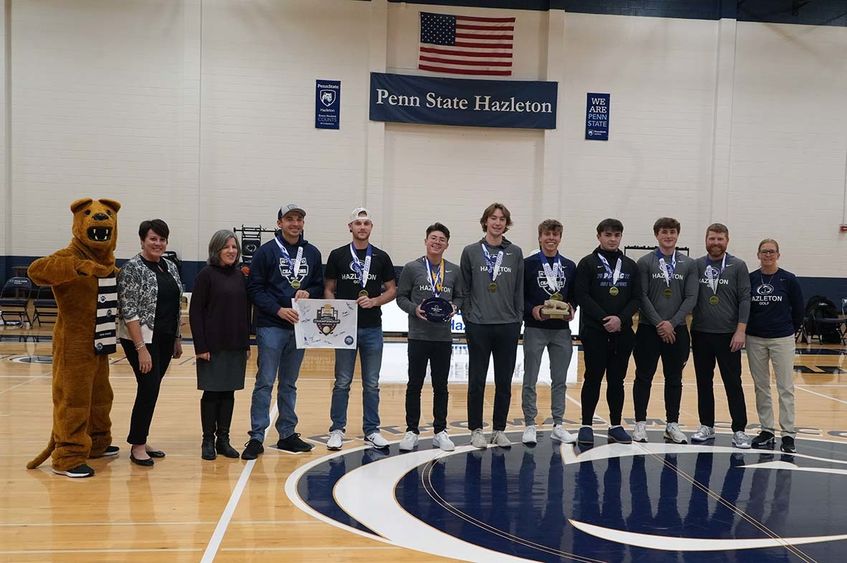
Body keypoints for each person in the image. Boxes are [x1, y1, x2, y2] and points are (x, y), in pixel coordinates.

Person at [242, 204, 323, 460]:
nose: (295, 223)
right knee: (265, 381)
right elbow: (254, 289)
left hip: (299, 327)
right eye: (289, 219)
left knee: (289, 383)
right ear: (279, 223)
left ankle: (287, 433)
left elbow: (319, 285)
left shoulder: (312, 252)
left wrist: (309, 292)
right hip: (271, 326)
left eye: (299, 219)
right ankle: (256, 436)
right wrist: (278, 310)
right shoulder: (266, 252)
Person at [324, 207, 397, 450]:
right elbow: (329, 289)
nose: (362, 227)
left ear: (371, 227)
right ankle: (336, 429)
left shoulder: (381, 257)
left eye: (366, 223)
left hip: (372, 327)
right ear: (350, 227)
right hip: (345, 329)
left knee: (372, 383)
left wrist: (375, 300)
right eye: (358, 223)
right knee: (342, 381)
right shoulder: (337, 255)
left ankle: (372, 430)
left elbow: (392, 289)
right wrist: (337, 311)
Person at [117, 219, 182, 467]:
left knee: (151, 389)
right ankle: (137, 445)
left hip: (165, 338)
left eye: (162, 239)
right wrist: (141, 348)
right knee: (148, 387)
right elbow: (129, 310)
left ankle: (141, 438)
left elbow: (176, 305)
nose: (158, 243)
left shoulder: (170, 267)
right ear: (143, 240)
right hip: (141, 340)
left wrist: (176, 338)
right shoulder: (132, 268)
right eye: (153, 238)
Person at [459, 202, 524, 449]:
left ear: (507, 224)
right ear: (485, 221)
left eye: (502, 219)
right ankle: (476, 429)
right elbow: (464, 287)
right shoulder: (471, 251)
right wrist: (468, 315)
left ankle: (499, 429)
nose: (497, 222)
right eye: (493, 218)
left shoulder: (515, 252)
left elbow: (519, 288)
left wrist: (518, 317)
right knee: (476, 379)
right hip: (478, 324)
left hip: (508, 324)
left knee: (504, 381)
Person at [396, 223, 463, 452]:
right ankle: (411, 431)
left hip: (443, 338)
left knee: (440, 386)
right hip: (418, 336)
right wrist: (414, 309)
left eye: (441, 239)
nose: (437, 242)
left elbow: (461, 296)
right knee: (414, 384)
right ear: (426, 241)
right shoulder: (411, 268)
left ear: (447, 244)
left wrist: (455, 307)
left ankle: (440, 431)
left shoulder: (454, 270)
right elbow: (401, 297)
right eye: (433, 238)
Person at [632, 218, 698, 444]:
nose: (668, 236)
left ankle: (672, 424)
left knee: (674, 379)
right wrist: (660, 323)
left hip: (677, 330)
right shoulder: (644, 262)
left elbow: (691, 297)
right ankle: (640, 423)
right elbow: (641, 296)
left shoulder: (688, 264)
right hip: (649, 330)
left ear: (678, 234)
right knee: (643, 377)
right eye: (663, 232)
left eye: (672, 232)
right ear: (656, 235)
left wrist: (673, 322)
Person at [574, 218, 640, 446]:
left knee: (617, 380)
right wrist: (605, 319)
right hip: (595, 331)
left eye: (616, 235)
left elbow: (636, 298)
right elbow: (582, 295)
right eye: (608, 235)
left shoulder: (631, 266)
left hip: (622, 333)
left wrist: (620, 319)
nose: (612, 239)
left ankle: (615, 425)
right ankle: (586, 425)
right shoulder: (587, 263)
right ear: (599, 236)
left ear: (621, 237)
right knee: (592, 378)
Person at [189, 230, 251, 461]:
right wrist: (200, 346)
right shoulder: (206, 275)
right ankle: (207, 440)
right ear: (216, 250)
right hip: (212, 347)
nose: (231, 251)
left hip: (235, 344)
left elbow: (245, 312)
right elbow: (195, 313)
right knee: (211, 393)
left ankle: (223, 440)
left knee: (228, 393)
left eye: (234, 247)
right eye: (226, 247)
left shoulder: (239, 276)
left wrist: (246, 343)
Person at [690, 223, 752, 448]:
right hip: (700, 333)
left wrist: (741, 330)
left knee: (733, 383)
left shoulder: (738, 266)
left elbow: (745, 298)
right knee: (703, 382)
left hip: (729, 335)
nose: (715, 243)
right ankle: (707, 425)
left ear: (727, 241)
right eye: (712, 238)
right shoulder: (696, 265)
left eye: (720, 239)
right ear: (706, 240)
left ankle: (739, 430)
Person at [521, 219, 577, 445]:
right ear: (540, 237)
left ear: (560, 238)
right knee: (530, 378)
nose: (551, 238)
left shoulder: (569, 265)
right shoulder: (528, 264)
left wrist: (572, 308)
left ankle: (558, 424)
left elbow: (574, 294)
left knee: (560, 380)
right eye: (547, 234)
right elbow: (519, 296)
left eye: (555, 235)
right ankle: (530, 424)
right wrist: (531, 309)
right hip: (535, 328)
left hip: (561, 330)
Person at [746, 239, 804, 453]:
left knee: (785, 387)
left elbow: (799, 311)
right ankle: (767, 430)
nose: (768, 255)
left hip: (782, 338)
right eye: (764, 252)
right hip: (755, 339)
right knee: (761, 387)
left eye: (772, 252)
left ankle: (788, 434)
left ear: (778, 254)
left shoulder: (789, 280)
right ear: (758, 254)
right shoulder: (751, 279)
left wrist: (788, 330)